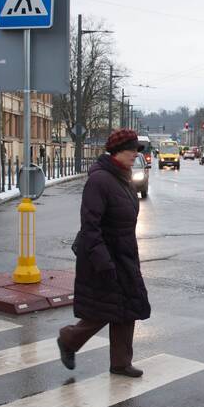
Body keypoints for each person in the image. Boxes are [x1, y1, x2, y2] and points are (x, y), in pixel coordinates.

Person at [58, 128, 150, 378]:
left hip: (124, 256)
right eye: (132, 150)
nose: (135, 154)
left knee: (127, 309)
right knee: (104, 310)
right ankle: (68, 339)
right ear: (118, 151)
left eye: (137, 150)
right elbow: (90, 227)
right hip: (104, 259)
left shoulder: (124, 178)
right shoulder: (99, 181)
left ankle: (121, 363)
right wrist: (104, 262)